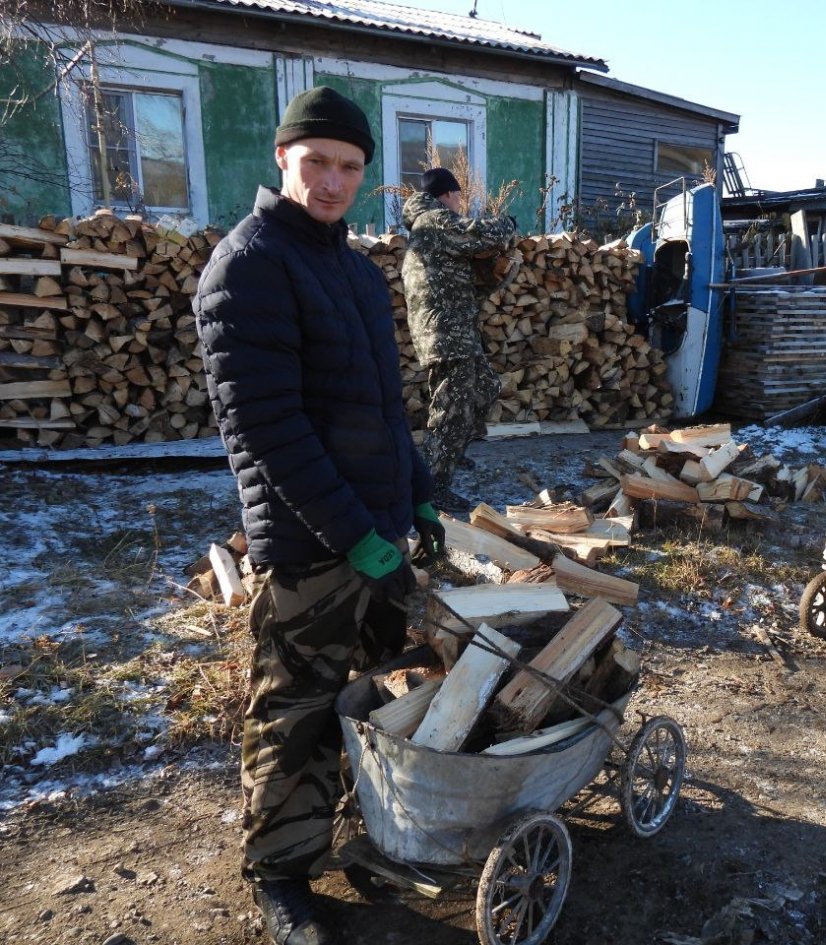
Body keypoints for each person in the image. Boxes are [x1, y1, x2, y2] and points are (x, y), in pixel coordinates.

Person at [194, 86, 446, 945]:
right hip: (310, 546)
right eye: (318, 163)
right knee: (295, 714)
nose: (333, 181)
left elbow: (384, 405)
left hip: (376, 533)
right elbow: (270, 433)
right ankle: (281, 878)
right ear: (282, 159)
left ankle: (373, 828)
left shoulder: (351, 266)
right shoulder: (249, 266)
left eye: (349, 167)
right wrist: (357, 535)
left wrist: (416, 494)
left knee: (385, 695)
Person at [402, 167, 517, 511]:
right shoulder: (434, 222)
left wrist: (503, 272)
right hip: (446, 335)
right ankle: (432, 488)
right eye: (458, 197)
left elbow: (469, 287)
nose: (461, 206)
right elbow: (481, 233)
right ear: (447, 195)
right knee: (450, 412)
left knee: (484, 388)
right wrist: (509, 223)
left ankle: (448, 455)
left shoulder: (430, 232)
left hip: (454, 332)